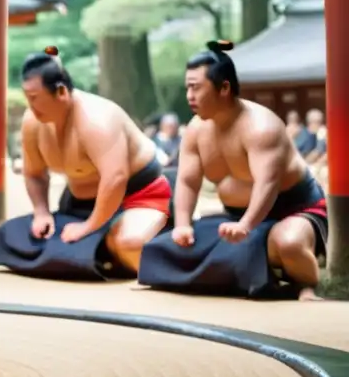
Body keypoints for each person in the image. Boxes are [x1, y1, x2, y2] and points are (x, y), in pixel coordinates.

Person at [137, 41, 327, 301]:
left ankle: (307, 284)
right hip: (234, 216)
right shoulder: (195, 129)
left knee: (288, 243)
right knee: (158, 248)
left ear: (224, 87)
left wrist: (247, 225)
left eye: (196, 87)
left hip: (293, 210)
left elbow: (267, 185)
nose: (189, 96)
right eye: (187, 88)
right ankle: (253, 263)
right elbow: (188, 181)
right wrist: (182, 225)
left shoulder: (262, 127)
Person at [0, 47, 172, 280]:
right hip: (78, 206)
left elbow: (115, 179)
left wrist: (87, 228)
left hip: (138, 197)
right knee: (6, 235)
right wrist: (42, 212)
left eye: (34, 98)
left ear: (61, 91)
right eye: (26, 97)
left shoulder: (97, 119)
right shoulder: (33, 122)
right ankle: (100, 250)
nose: (30, 105)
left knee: (129, 244)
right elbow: (34, 174)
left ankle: (136, 239)